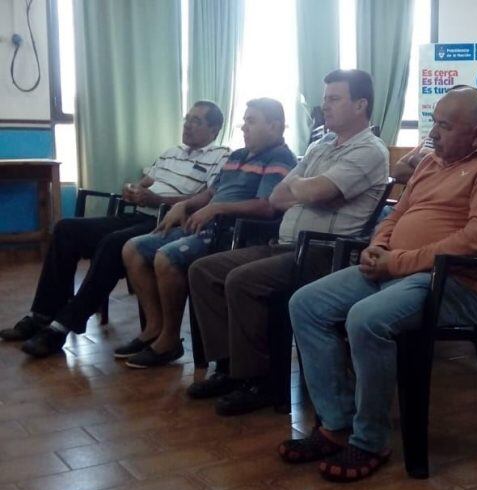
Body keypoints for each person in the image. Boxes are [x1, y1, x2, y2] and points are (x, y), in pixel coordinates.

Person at [279, 87, 477, 483]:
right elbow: (397, 214)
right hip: (396, 271)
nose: (435, 133)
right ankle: (336, 420)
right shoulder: (431, 163)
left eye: (444, 126)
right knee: (305, 304)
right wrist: (377, 246)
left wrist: (397, 262)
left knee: (365, 319)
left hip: (452, 284)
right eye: (434, 122)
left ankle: (371, 439)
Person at [185, 69, 389, 413]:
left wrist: (307, 188)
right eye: (325, 99)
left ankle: (258, 381)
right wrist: (308, 189)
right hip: (285, 244)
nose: (326, 106)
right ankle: (229, 366)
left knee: (241, 280)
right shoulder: (321, 146)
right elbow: (278, 198)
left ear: (360, 104)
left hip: (326, 253)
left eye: (334, 99)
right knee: (204, 270)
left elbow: (315, 190)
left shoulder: (370, 150)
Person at [1, 101, 229, 357]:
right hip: (137, 215)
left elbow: (207, 198)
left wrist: (158, 200)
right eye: (186, 118)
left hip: (165, 222)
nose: (187, 124)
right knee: (66, 229)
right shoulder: (171, 152)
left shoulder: (221, 156)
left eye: (196, 121)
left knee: (113, 244)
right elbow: (145, 182)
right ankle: (41, 315)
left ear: (214, 128)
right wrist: (132, 189)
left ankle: (63, 325)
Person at [116, 99, 296, 368]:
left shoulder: (279, 158)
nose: (243, 127)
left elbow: (266, 206)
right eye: (244, 120)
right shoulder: (237, 156)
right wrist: (184, 205)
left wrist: (217, 209)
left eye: (251, 121)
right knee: (133, 248)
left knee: (166, 257)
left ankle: (169, 340)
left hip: (234, 232)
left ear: (275, 126)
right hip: (206, 225)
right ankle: (154, 327)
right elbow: (210, 193)